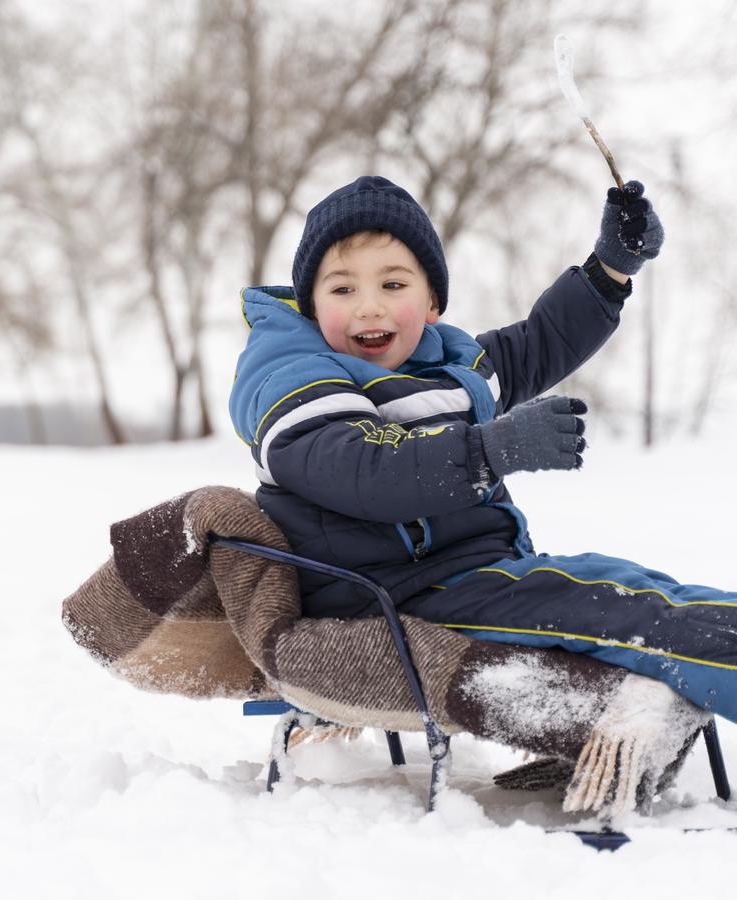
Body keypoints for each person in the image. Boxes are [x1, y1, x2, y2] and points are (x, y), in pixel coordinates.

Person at [228, 174, 737, 722]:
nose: (368, 308)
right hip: (390, 598)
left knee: (634, 588)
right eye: (342, 289)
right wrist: (490, 450)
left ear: (432, 304)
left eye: (393, 286)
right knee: (615, 608)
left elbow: (539, 344)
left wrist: (610, 268)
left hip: (468, 578)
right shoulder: (294, 377)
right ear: (310, 305)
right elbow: (363, 470)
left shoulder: (442, 368)